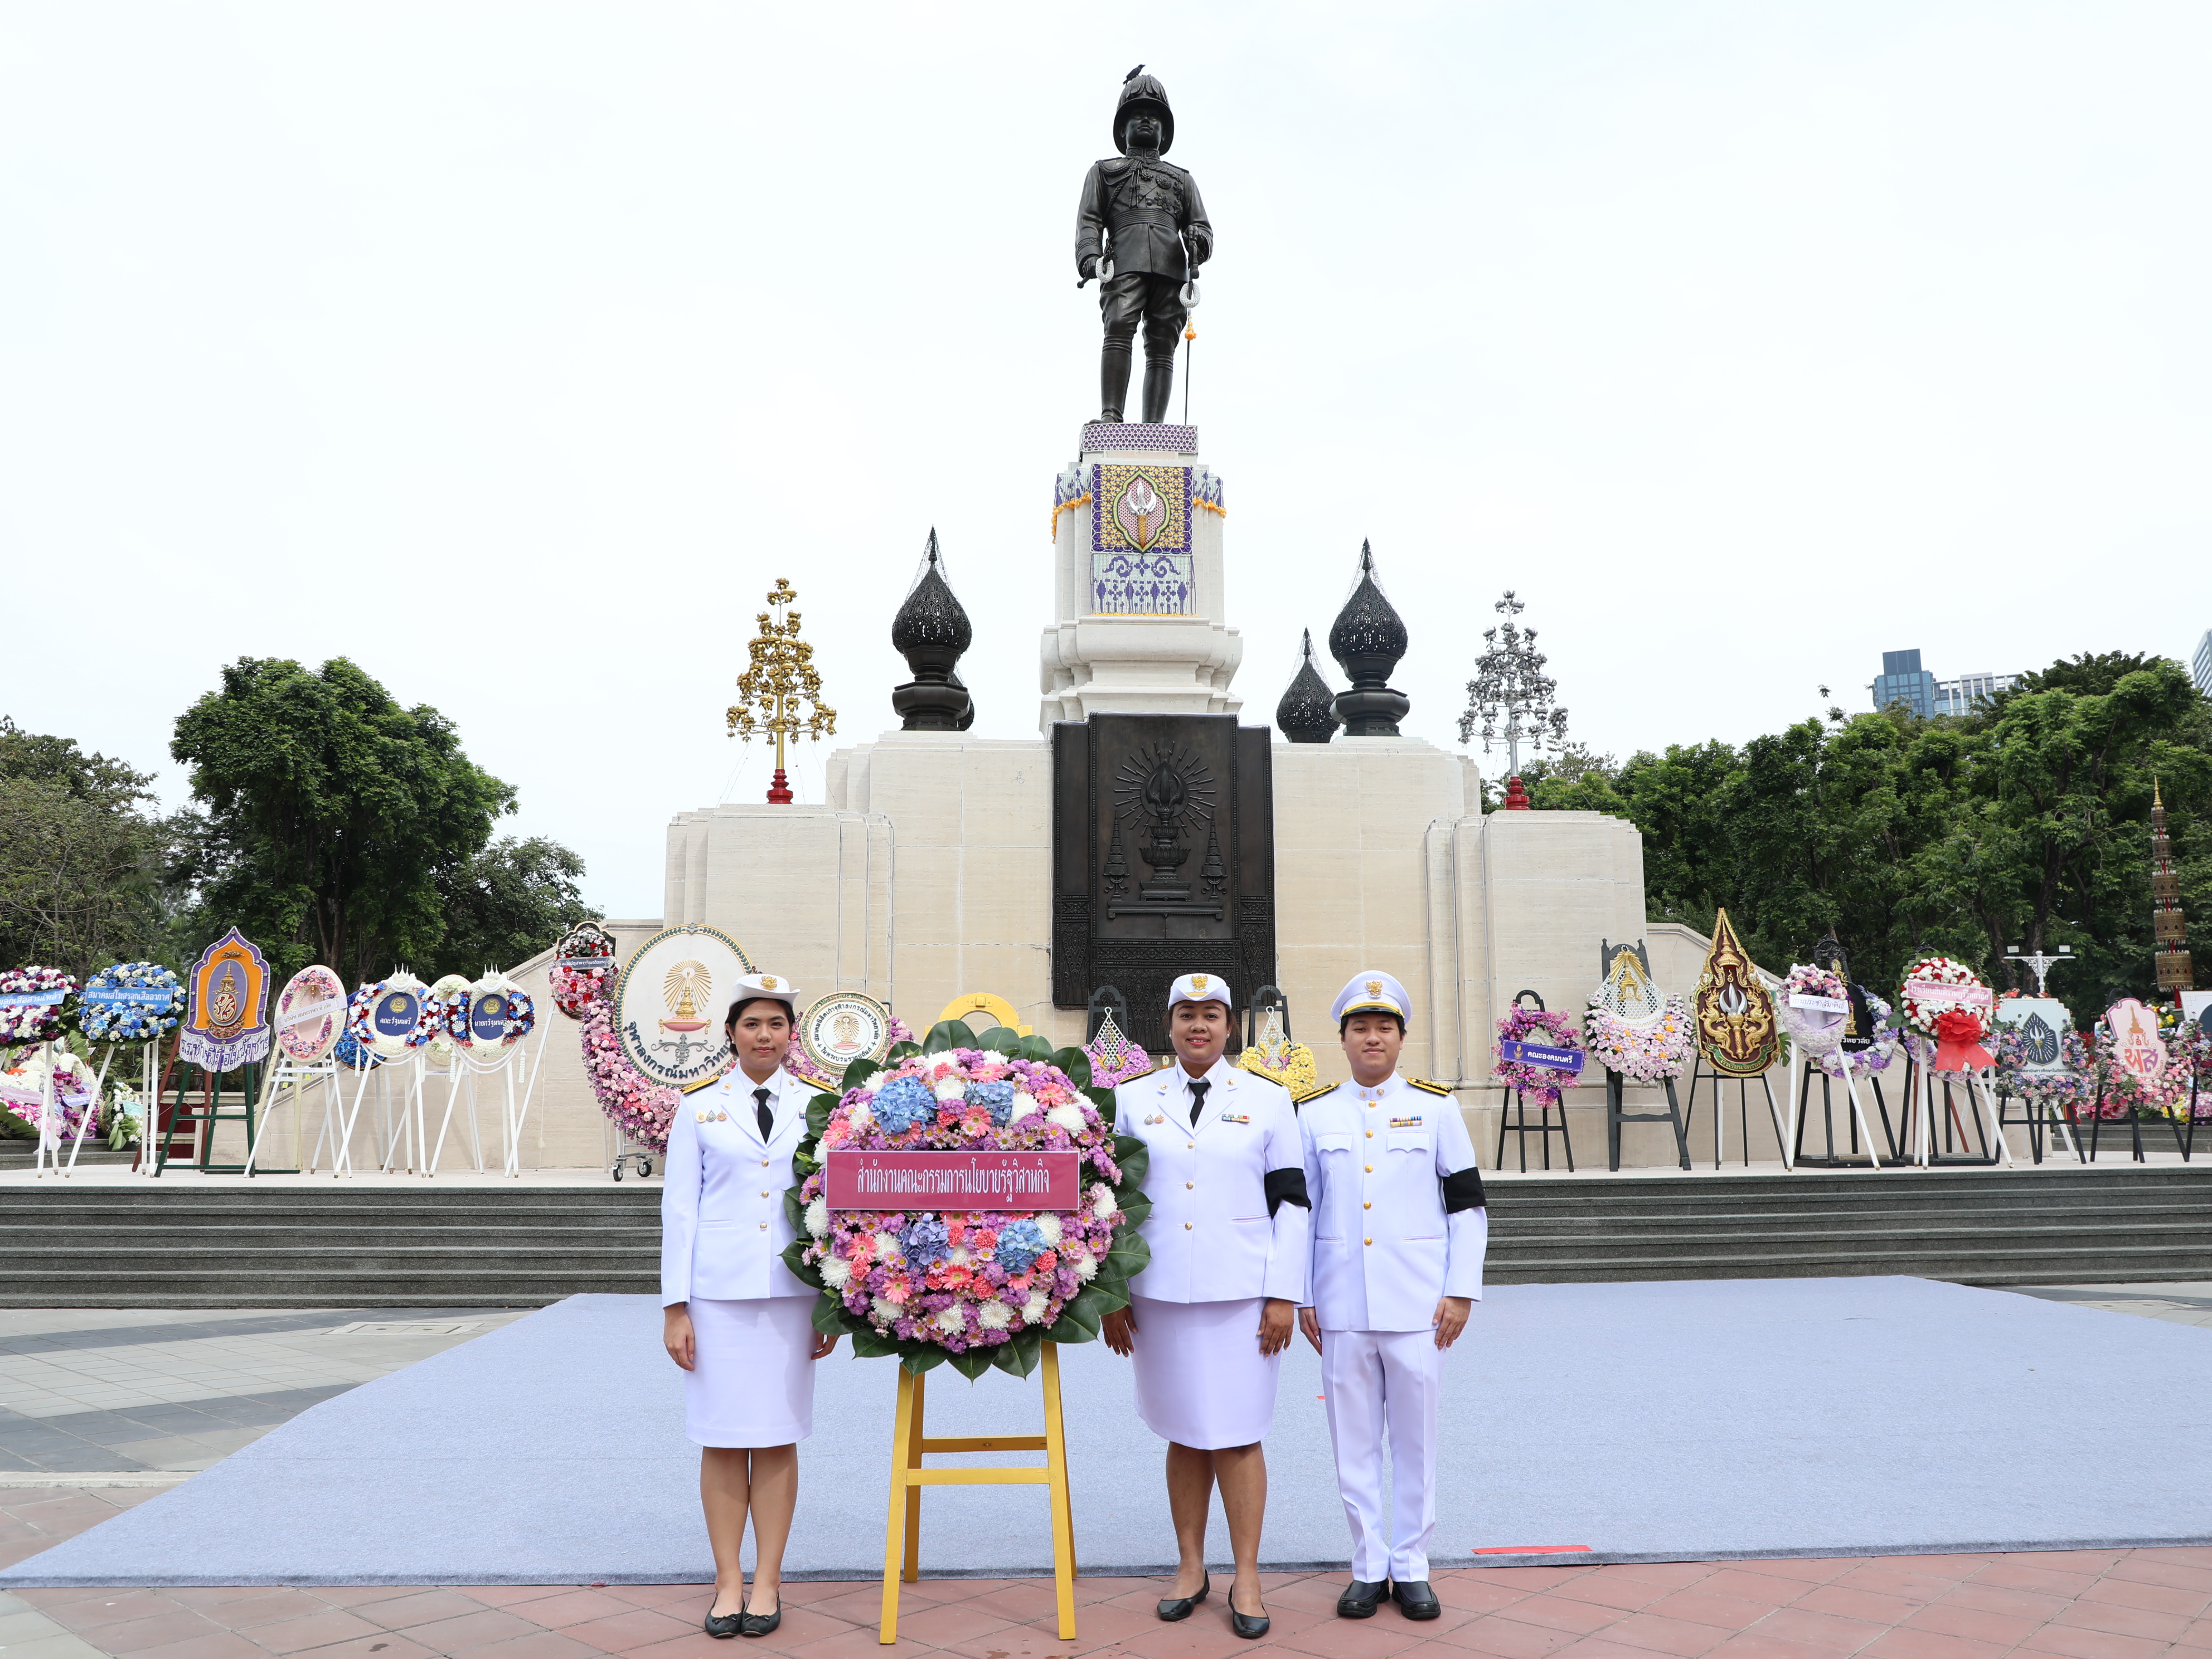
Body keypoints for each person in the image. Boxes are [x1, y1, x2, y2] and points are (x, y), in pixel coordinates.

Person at [1102, 973, 1308, 1639]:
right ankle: (1190, 1567)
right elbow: (1105, 1203)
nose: (1199, 1026)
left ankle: (1246, 1573)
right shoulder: (1131, 1099)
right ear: (1166, 1025)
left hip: (1242, 1296)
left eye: (1212, 1015)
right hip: (1157, 1295)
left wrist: (1283, 1293)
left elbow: (1292, 1204)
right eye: (1186, 1014)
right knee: (1183, 1433)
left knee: (1239, 1434)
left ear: (1229, 1027)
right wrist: (1110, 1294)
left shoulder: (1269, 1099)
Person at [1296, 971, 1487, 1622]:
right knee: (1352, 1443)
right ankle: (1366, 1565)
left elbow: (1465, 1207)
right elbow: (1302, 1210)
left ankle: (1410, 1565)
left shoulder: (1437, 1108)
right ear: (1343, 1040)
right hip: (1340, 1305)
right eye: (1359, 1028)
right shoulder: (1314, 1112)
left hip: (1416, 1307)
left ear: (1401, 1038)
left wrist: (1460, 1290)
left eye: (1383, 1027)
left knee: (1414, 1440)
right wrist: (1301, 1296)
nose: (1371, 1038)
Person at [661, 973, 837, 1639]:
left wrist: (830, 1303)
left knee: (777, 1434)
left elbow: (832, 1210)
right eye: (751, 1024)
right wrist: (675, 1307)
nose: (764, 1035)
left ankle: (767, 1579)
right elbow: (679, 1211)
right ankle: (726, 1579)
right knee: (722, 1438)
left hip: (791, 1298)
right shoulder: (698, 1108)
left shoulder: (820, 1108)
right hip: (717, 1299)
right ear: (731, 1033)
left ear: (793, 1034)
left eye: (776, 1024)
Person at [1074, 69, 1213, 424]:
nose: (1147, 120)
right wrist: (1090, 258)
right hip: (1124, 260)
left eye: (1154, 116)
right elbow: (1090, 219)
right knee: (1118, 326)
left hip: (1170, 266)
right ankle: (1111, 414)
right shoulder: (1104, 172)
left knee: (1163, 342)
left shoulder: (1182, 180)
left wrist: (1198, 240)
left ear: (1165, 132)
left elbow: (1201, 225)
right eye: (1138, 114)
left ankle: (1154, 427)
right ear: (1123, 129)